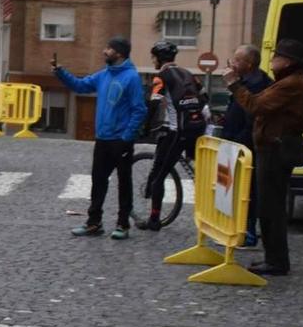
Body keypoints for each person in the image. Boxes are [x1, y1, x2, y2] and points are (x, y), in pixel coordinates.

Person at [52, 37, 147, 240]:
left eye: (109, 49)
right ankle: (94, 223)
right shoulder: (103, 75)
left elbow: (139, 110)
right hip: (102, 139)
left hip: (120, 140)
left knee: (124, 183)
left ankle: (122, 224)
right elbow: (81, 86)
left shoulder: (131, 77)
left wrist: (127, 136)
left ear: (119, 53)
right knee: (98, 182)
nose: (104, 51)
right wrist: (61, 73)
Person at [233, 38, 303, 277]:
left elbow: (257, 105)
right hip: (272, 147)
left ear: (287, 61)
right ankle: (272, 257)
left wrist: (234, 86)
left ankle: (277, 261)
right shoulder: (286, 82)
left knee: (272, 207)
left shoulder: (291, 83)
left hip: (276, 150)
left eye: (276, 57)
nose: (272, 60)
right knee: (268, 206)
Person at [139, 39, 206, 232]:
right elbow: (204, 98)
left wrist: (145, 128)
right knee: (196, 168)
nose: (153, 61)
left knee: (159, 176)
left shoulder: (162, 76)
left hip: (178, 131)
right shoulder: (189, 73)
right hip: (195, 127)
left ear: (159, 59)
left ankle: (154, 220)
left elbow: (154, 103)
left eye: (153, 58)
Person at [217, 44, 272, 247]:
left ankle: (247, 229)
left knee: (246, 189)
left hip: (243, 146)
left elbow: (251, 117)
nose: (232, 62)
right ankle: (229, 226)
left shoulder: (257, 84)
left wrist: (237, 143)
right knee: (227, 187)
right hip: (232, 141)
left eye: (237, 60)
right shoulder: (242, 81)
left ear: (248, 65)